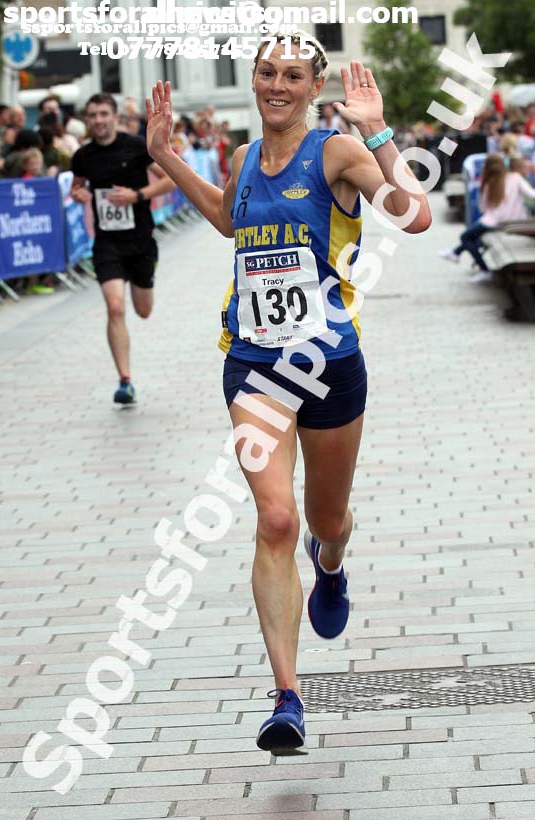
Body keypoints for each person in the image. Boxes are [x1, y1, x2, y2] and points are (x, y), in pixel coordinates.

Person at [146, 32, 431, 753]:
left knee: (325, 519)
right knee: (274, 518)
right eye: (267, 72)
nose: (278, 85)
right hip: (252, 364)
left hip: (328, 363)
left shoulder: (336, 153)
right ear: (254, 80)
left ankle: (329, 564)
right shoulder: (244, 158)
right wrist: (166, 155)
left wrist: (379, 133)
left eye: (293, 75)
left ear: (313, 86)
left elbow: (414, 215)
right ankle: (287, 697)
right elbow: (228, 220)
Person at [71, 92, 175, 404]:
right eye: (93, 115)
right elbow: (77, 186)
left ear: (115, 117)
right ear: (87, 120)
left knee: (143, 311)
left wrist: (136, 195)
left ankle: (144, 279)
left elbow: (170, 180)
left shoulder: (135, 145)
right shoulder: (83, 156)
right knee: (115, 307)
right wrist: (78, 194)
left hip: (140, 240)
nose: (98, 120)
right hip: (107, 243)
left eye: (104, 114)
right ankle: (125, 381)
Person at [440, 153, 535, 276]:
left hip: (494, 222)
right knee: (474, 239)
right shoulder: (515, 178)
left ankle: (483, 269)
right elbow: (532, 195)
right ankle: (455, 253)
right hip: (515, 221)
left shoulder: (489, 183)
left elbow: (483, 207)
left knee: (465, 237)